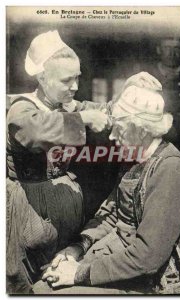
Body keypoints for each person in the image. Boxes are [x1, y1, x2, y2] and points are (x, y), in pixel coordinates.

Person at [38, 75, 180, 295]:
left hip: (151, 284)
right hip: (117, 259)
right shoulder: (134, 157)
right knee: (42, 287)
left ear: (143, 130)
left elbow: (147, 258)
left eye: (120, 128)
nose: (112, 135)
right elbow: (112, 215)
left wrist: (79, 273)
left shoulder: (172, 169)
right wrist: (75, 250)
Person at [6, 30, 109, 294]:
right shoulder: (22, 107)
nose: (74, 86)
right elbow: (36, 130)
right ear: (43, 77)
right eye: (66, 80)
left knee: (60, 276)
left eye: (77, 77)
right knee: (22, 284)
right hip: (27, 213)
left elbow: (103, 110)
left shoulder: (69, 105)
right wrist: (84, 119)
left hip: (64, 213)